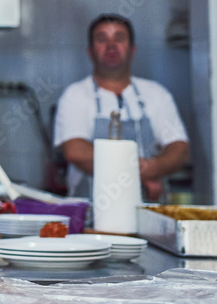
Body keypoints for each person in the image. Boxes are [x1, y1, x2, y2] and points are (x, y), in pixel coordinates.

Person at [54, 13, 190, 200]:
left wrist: (153, 167)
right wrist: (138, 174)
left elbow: (179, 149)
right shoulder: (75, 95)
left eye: (119, 38)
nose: (111, 45)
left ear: (132, 49)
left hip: (151, 213)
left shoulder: (157, 93)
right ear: (90, 51)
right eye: (102, 39)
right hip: (91, 215)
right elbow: (76, 152)